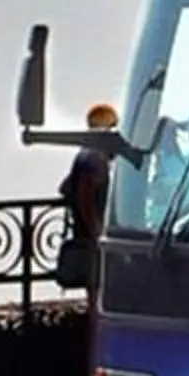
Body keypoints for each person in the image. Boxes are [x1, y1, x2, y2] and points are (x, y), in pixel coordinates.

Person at [54, 102, 116, 292]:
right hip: (92, 233)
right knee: (98, 282)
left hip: (83, 230)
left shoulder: (86, 153)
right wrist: (96, 230)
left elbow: (65, 188)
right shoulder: (95, 159)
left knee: (94, 283)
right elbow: (85, 198)